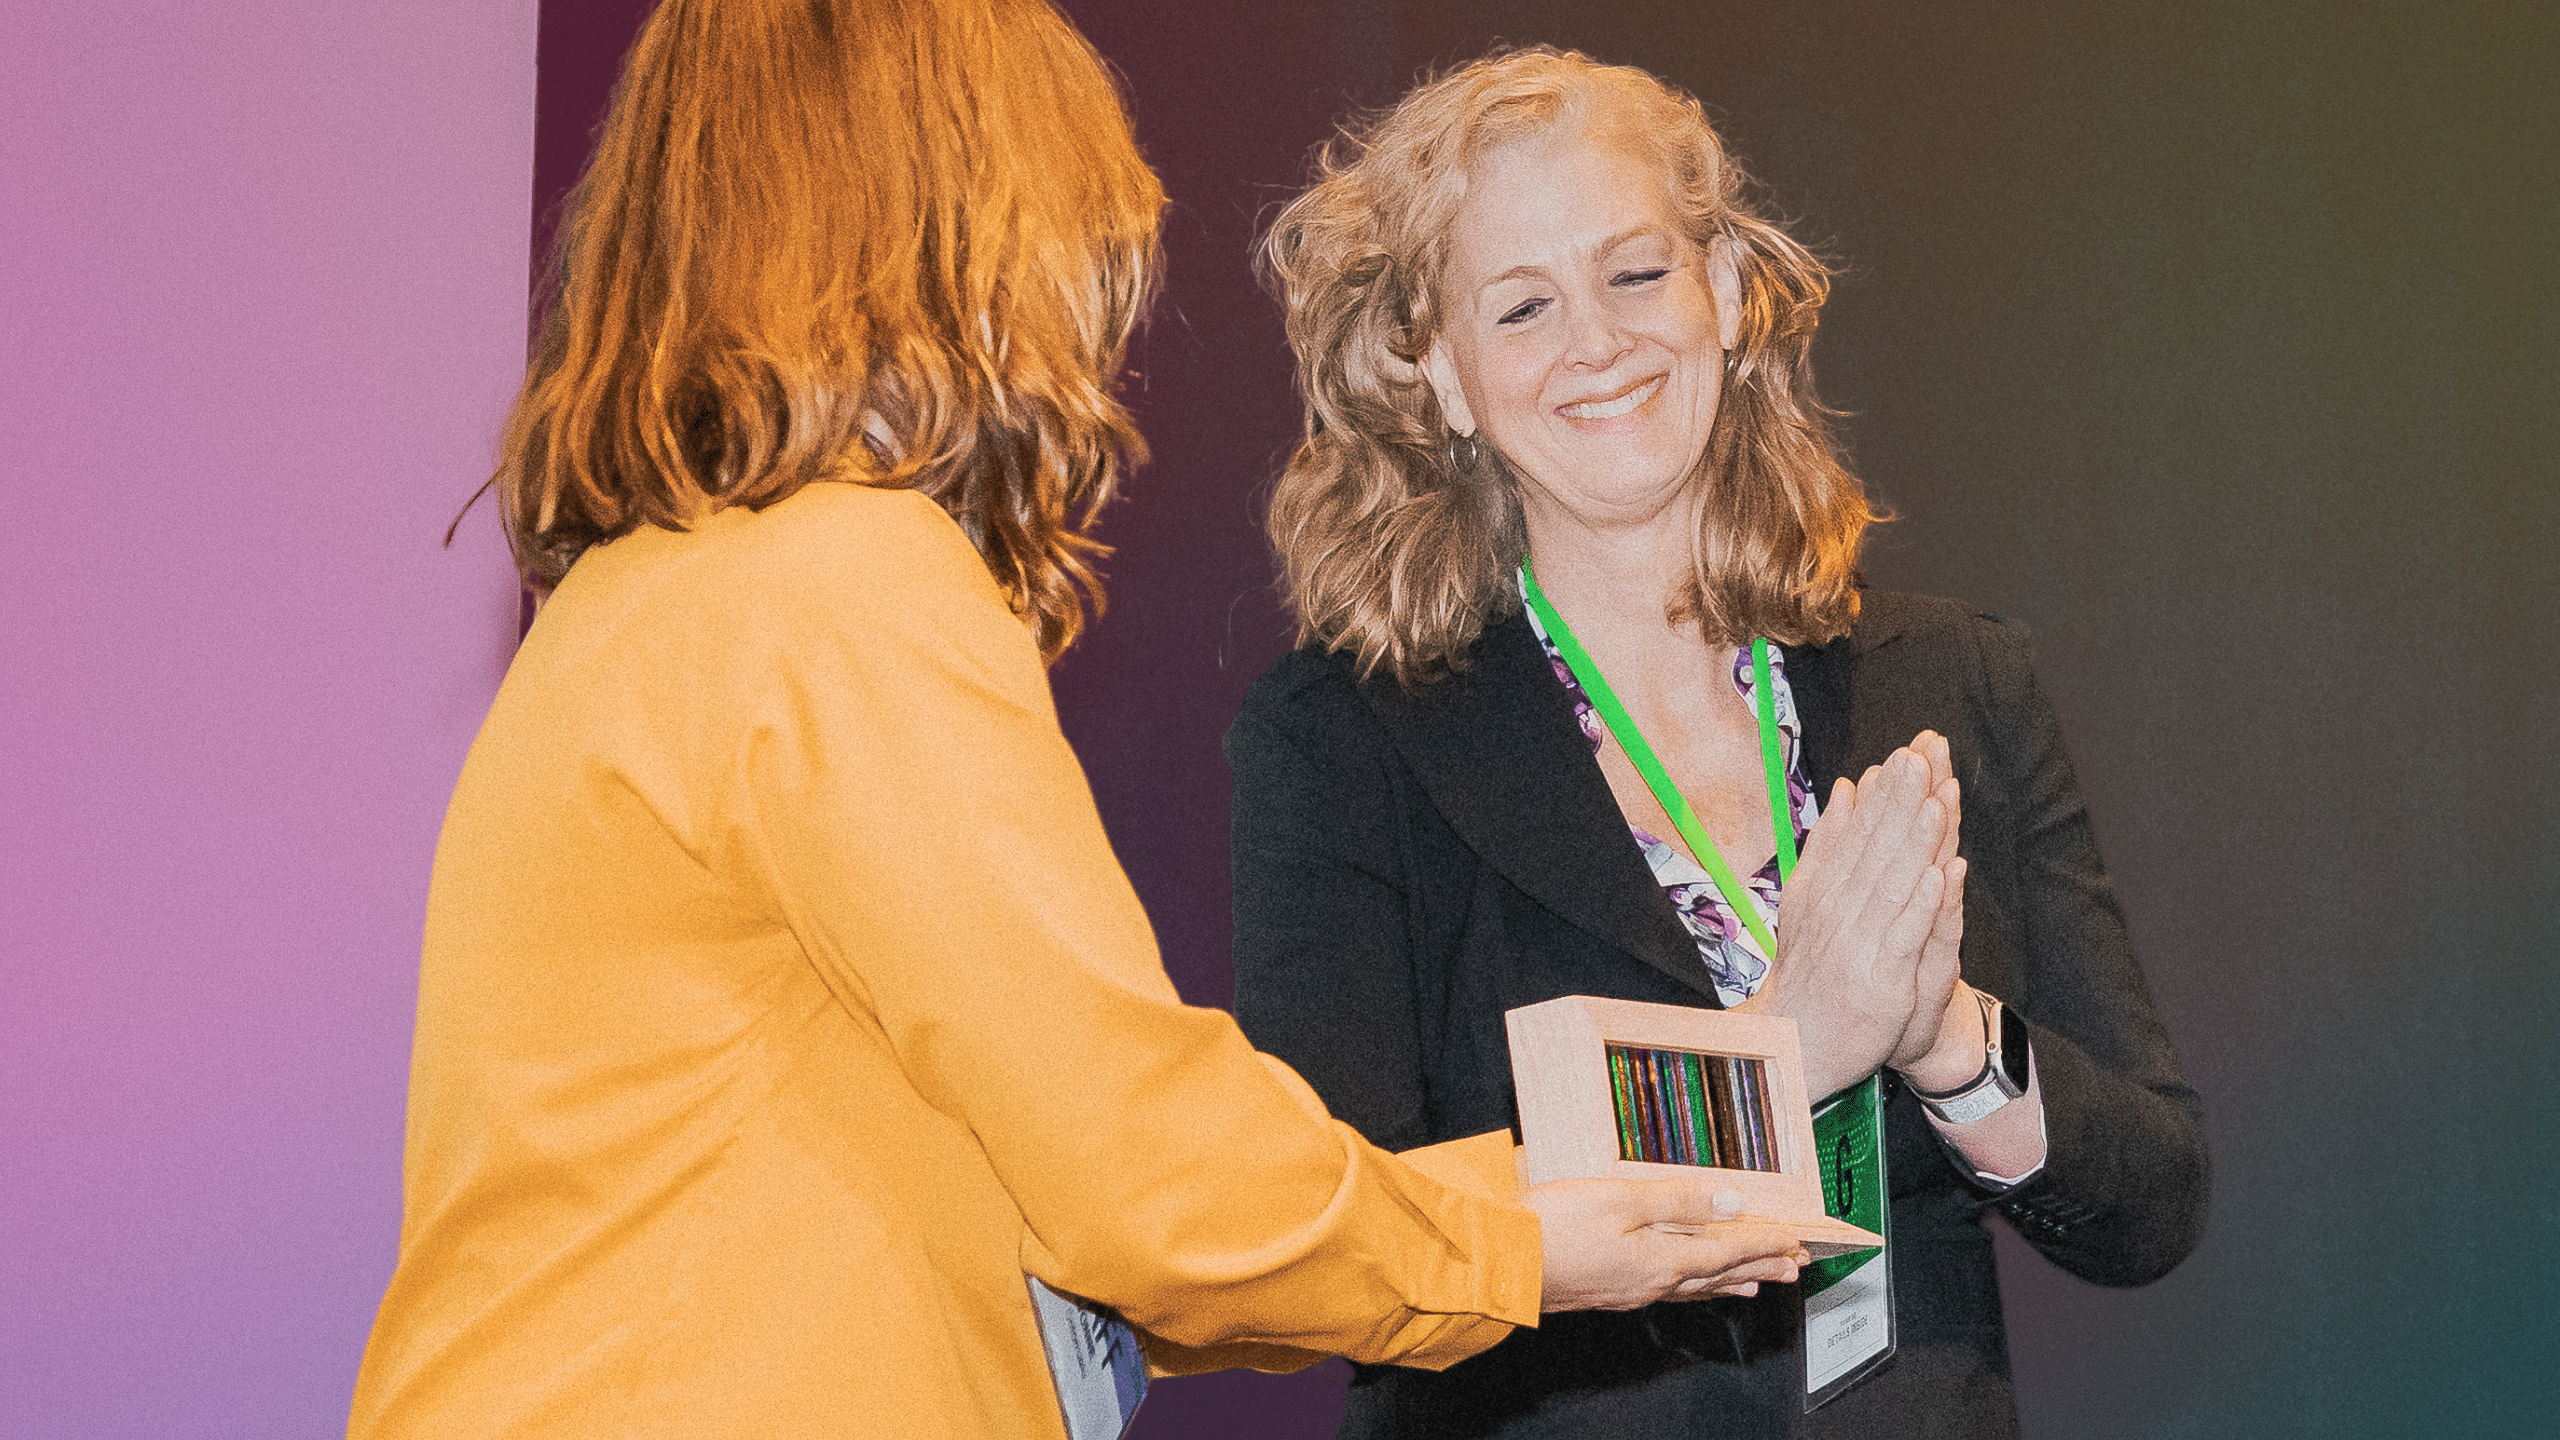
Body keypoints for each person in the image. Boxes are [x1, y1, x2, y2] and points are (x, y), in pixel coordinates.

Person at [346, 8, 1819, 1440]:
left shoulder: (661, 591)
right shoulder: (838, 584)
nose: (1095, 301)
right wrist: (1525, 1243)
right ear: (960, 225)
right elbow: (1148, 1180)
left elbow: (1074, 1209)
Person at [1231, 47, 2209, 1438]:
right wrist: (1787, 1053)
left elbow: (2152, 1202)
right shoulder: (1344, 742)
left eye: (1637, 275)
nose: (1598, 343)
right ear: (1442, 376)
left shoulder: (1948, 677)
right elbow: (1338, 1232)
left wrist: (1939, 1036)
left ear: (1730, 297)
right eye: (1522, 307)